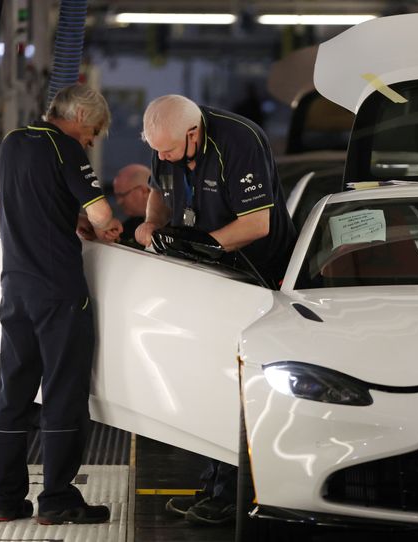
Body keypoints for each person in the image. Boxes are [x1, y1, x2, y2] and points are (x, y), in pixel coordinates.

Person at [135, 94, 297, 525]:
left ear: (194, 133)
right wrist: (154, 225)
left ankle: (232, 496)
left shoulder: (238, 140)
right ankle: (215, 486)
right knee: (207, 382)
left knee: (238, 387)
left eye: (168, 150)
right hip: (206, 278)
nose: (162, 157)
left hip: (256, 280)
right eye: (156, 151)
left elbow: (256, 225)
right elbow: (159, 193)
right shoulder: (165, 145)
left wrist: (200, 246)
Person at [0, 83, 123, 525]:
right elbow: (102, 215)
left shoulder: (12, 142)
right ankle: (58, 499)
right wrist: (103, 226)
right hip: (59, 293)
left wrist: (71, 218)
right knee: (64, 394)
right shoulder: (65, 148)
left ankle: (6, 500)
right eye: (94, 133)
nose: (91, 141)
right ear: (81, 119)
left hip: (16, 288)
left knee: (14, 393)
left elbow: (38, 203)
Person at [112, 163, 151, 245]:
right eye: (116, 196)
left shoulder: (173, 226)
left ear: (144, 191)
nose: (119, 201)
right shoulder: (128, 227)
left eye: (122, 195)